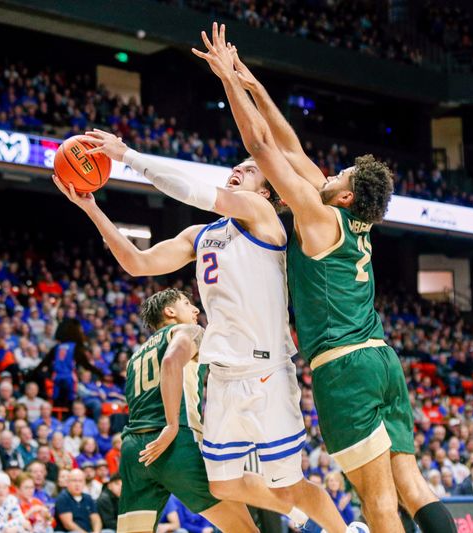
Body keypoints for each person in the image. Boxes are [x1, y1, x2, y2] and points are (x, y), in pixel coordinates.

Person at [191, 22, 454, 533]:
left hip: (346, 370)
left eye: (339, 176)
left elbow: (262, 145)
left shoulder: (317, 214)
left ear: (346, 195)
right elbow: (289, 145)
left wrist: (226, 80)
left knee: (378, 504)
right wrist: (252, 81)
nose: (327, 173)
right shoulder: (346, 217)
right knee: (413, 487)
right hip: (382, 360)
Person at [65, 115, 365, 531]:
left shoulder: (263, 215)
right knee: (224, 485)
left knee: (290, 483)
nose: (238, 169)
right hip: (222, 377)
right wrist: (92, 209)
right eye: (237, 166)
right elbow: (138, 263)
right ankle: (297, 516)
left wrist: (128, 156)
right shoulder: (201, 235)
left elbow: (190, 189)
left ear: (266, 190)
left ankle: (347, 530)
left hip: (265, 373)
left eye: (250, 168)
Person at [112, 289, 256, 532]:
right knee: (244, 529)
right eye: (187, 303)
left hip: (134, 449)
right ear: (170, 312)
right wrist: (171, 424)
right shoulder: (188, 331)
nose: (195, 309)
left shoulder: (135, 355)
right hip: (175, 442)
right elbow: (171, 361)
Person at [54, 469, 100, 533]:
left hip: (88, 531)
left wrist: (96, 532)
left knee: (108, 531)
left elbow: (96, 518)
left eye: (80, 481)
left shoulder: (88, 498)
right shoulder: (62, 498)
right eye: (74, 481)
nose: (77, 484)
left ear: (84, 483)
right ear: (68, 482)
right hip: (69, 531)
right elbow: (68, 524)